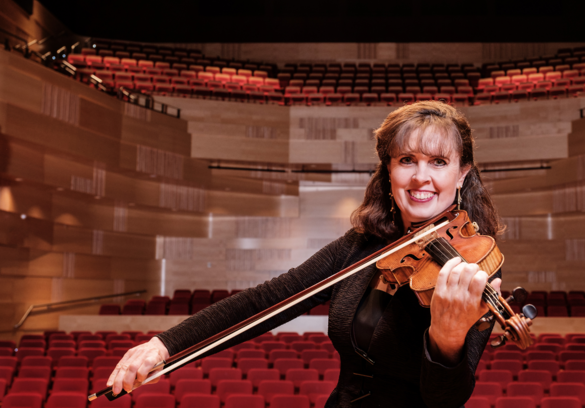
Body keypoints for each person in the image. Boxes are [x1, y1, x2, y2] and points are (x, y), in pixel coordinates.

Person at [107, 100, 504, 407]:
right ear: (388, 171)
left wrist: (447, 338)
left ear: (462, 173)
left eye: (438, 162)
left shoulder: (471, 264)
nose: (421, 177)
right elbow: (267, 300)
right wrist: (164, 345)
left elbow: (446, 400)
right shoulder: (358, 246)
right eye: (406, 160)